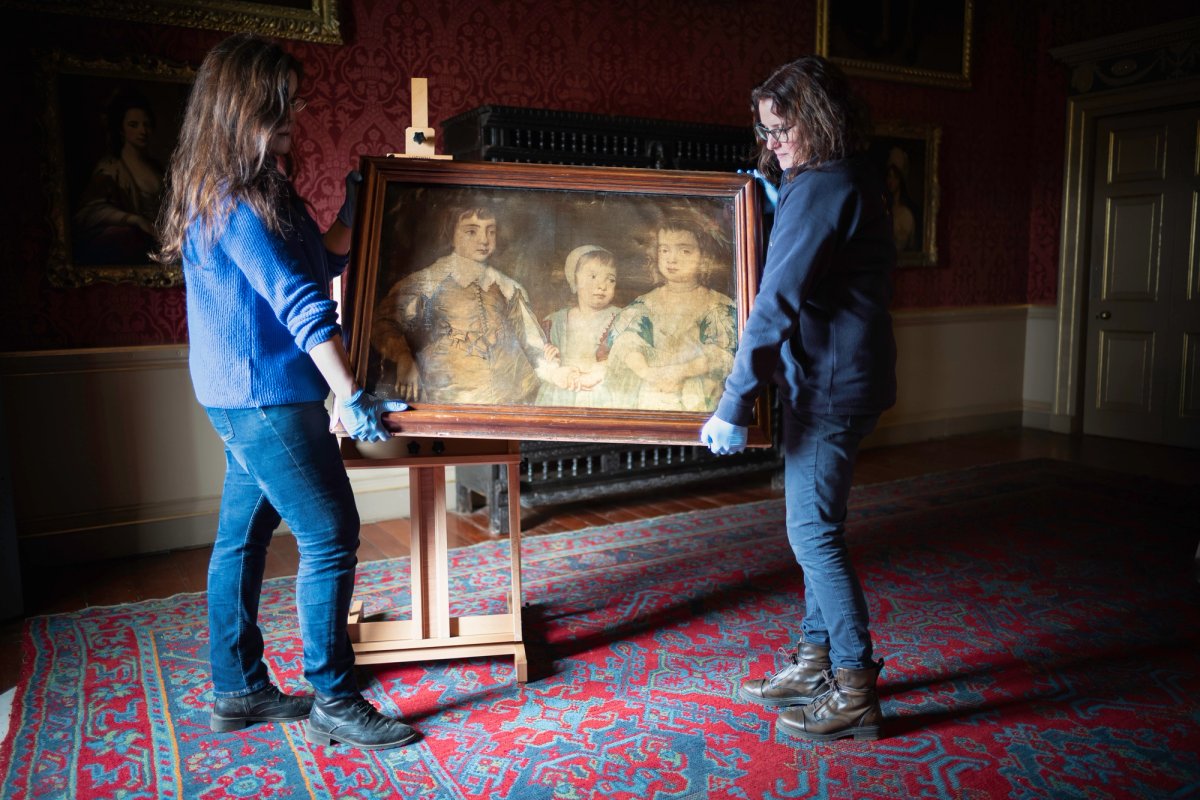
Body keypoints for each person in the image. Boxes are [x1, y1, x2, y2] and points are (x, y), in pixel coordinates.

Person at [155, 33, 418, 751]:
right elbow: (301, 302)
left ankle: (237, 689)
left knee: (241, 540)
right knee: (331, 534)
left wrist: (357, 205)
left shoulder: (260, 186)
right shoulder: (232, 200)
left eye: (294, 103)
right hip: (265, 398)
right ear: (240, 107)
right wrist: (349, 393)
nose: (294, 117)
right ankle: (334, 697)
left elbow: (322, 260)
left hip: (248, 396)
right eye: (281, 105)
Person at [700, 55, 897, 742]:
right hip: (846, 377)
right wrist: (783, 200)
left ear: (821, 119)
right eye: (766, 131)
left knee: (813, 534)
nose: (774, 143)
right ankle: (817, 662)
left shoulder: (821, 187)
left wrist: (733, 403)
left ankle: (854, 688)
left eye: (784, 129)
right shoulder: (851, 174)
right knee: (819, 525)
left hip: (831, 386)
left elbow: (774, 305)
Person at [371, 202, 574, 404]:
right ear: (451, 235)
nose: (484, 240)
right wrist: (404, 359)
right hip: (446, 396)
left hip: (509, 399)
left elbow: (531, 344)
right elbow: (382, 324)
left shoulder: (509, 288)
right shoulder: (428, 281)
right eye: (471, 231)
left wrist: (554, 372)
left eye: (491, 231)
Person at [606, 215, 737, 412]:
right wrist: (649, 373)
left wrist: (679, 372)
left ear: (704, 257)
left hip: (698, 394)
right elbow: (625, 342)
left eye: (684, 251)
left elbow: (721, 354)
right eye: (664, 250)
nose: (672, 259)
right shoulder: (645, 303)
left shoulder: (716, 304)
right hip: (652, 391)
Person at [73, 87, 165, 264]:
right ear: (121, 129)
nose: (142, 131)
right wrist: (135, 220)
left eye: (146, 124)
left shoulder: (157, 168)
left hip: (163, 243)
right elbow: (89, 212)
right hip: (136, 247)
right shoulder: (111, 168)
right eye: (133, 125)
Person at [536, 244, 622, 407]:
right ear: (574, 280)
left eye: (610, 279)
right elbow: (539, 359)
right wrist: (551, 361)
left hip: (599, 393)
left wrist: (595, 375)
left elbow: (623, 360)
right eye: (593, 277)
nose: (602, 286)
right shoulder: (555, 321)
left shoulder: (621, 319)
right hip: (561, 393)